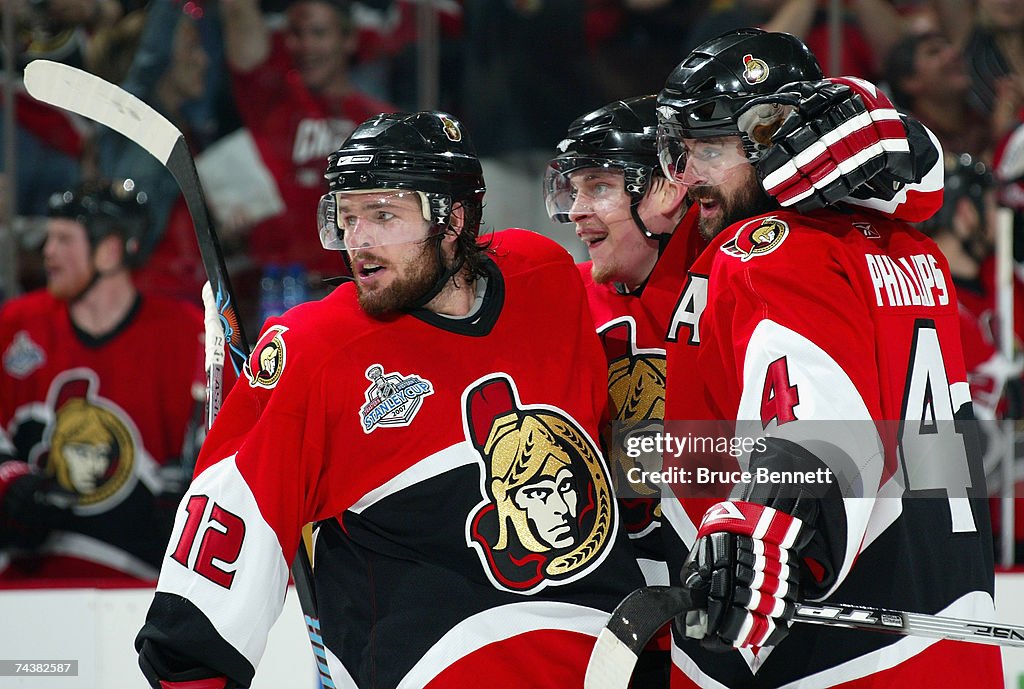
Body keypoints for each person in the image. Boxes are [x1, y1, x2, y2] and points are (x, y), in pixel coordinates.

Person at [134, 111, 646, 689]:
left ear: (451, 219)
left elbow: (613, 439)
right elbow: (229, 521)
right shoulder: (315, 349)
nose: (359, 241)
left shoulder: (545, 276)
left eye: (383, 215)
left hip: (611, 658)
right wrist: (191, 668)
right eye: (347, 218)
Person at [652, 28, 1002, 687]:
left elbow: (821, 428)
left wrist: (758, 533)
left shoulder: (765, 248)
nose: (688, 175)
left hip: (840, 660)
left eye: (707, 148)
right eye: (683, 149)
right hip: (952, 632)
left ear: (774, 138)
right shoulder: (911, 250)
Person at [0, 179, 208, 583]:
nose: (48, 253)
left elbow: (224, 448)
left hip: (140, 590)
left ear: (111, 250)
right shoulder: (15, 326)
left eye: (64, 239)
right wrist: (9, 482)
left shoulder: (188, 334)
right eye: (48, 238)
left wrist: (189, 492)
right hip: (23, 590)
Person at [220, 0, 395, 279]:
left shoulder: (381, 123)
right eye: (297, 34)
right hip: (275, 288)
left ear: (348, 40)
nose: (306, 46)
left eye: (319, 33)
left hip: (352, 285)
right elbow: (238, 12)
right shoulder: (270, 101)